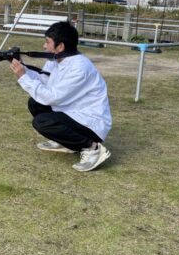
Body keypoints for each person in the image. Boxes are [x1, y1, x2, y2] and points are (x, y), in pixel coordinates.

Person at [8, 21, 112, 172]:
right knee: (35, 103)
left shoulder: (80, 68)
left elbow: (51, 97)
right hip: (72, 112)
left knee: (42, 122)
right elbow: (43, 81)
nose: (44, 46)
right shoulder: (57, 60)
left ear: (60, 46)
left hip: (91, 122)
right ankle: (66, 142)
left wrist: (23, 78)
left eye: (47, 42)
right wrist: (22, 68)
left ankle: (92, 148)